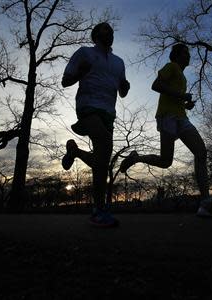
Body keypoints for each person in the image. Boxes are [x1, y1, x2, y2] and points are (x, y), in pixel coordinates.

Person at [119, 44, 212, 217]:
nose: (188, 56)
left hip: (181, 118)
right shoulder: (171, 67)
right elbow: (155, 86)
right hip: (167, 117)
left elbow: (173, 96)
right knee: (165, 161)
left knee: (201, 152)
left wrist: (185, 104)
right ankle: (136, 158)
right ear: (176, 55)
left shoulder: (183, 76)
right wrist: (181, 96)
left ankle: (205, 204)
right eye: (185, 53)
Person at [61, 22, 130, 227]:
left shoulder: (119, 62)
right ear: (94, 35)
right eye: (103, 30)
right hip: (87, 106)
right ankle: (98, 210)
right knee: (105, 144)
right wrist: (81, 73)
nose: (108, 32)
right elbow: (65, 81)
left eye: (110, 31)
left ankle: (75, 152)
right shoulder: (84, 53)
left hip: (109, 112)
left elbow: (122, 92)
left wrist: (125, 87)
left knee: (101, 161)